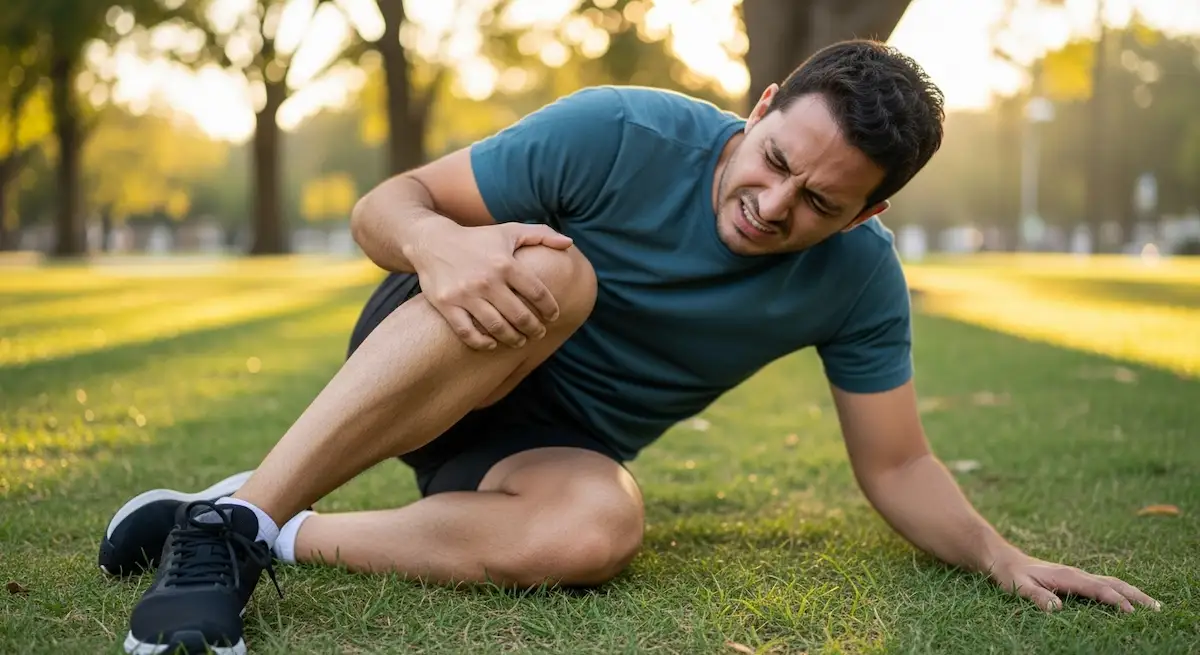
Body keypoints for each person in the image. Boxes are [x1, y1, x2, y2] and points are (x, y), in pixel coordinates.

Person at [101, 40, 1159, 655]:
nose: (771, 203)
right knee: (561, 272)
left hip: (528, 450)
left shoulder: (857, 278)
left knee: (602, 523)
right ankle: (235, 531)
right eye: (775, 158)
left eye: (819, 200)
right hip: (446, 334)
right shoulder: (621, 130)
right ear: (761, 107)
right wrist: (440, 248)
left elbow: (899, 462)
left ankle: (262, 520)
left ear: (868, 212)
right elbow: (393, 202)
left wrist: (1000, 554)